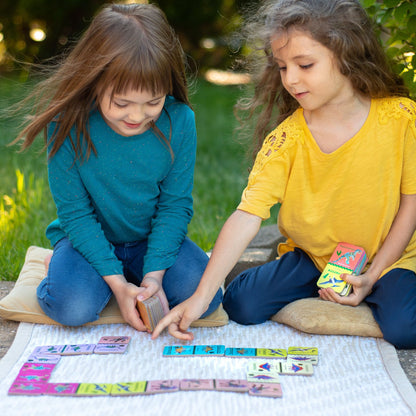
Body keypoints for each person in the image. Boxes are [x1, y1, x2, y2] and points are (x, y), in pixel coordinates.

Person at [152, 0, 416, 349]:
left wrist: (375, 271)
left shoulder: (400, 118)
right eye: (281, 67)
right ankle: (322, 285)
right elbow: (248, 215)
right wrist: (202, 297)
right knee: (242, 304)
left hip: (392, 256)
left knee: (404, 329)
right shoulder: (287, 139)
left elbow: (411, 200)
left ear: (346, 53)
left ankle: (373, 289)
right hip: (313, 257)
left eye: (305, 64)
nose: (291, 79)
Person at [13, 3, 223, 331]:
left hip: (148, 240)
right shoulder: (66, 124)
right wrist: (117, 284)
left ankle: (130, 276)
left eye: (152, 103)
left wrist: (154, 276)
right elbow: (76, 215)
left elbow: (174, 206)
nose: (137, 117)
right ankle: (65, 268)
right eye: (122, 103)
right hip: (86, 239)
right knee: (72, 306)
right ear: (94, 80)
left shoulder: (180, 120)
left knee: (206, 299)